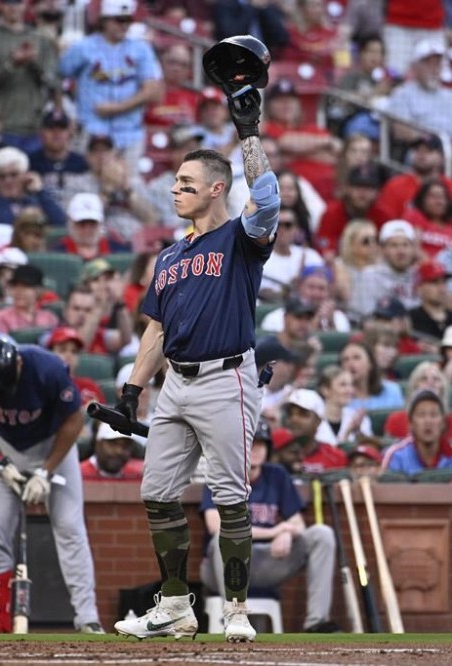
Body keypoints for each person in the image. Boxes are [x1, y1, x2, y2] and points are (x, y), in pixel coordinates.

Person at [112, 80, 280, 643]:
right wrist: (133, 387)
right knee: (156, 492)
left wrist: (249, 135)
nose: (174, 190)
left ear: (216, 189)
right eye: (175, 182)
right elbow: (155, 329)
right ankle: (177, 605)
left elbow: (270, 202)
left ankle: (235, 610)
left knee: (231, 496)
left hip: (226, 377)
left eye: (185, 183)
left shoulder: (240, 238)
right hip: (174, 386)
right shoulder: (168, 254)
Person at [0, 337, 102, 634]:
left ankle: (87, 617)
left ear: (18, 364)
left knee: (70, 526)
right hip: (2, 445)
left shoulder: (46, 368)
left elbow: (75, 420)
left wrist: (45, 472)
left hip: (52, 447)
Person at [199, 420, 338, 633]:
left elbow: (298, 523)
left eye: (261, 445)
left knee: (322, 534)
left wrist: (288, 534)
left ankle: (316, 623)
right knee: (224, 537)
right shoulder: (220, 475)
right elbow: (215, 525)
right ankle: (234, 617)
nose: (255, 450)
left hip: (267, 559)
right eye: (250, 444)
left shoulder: (277, 475)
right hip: (223, 566)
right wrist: (276, 531)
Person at [59, 0, 162, 168]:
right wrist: (67, 112)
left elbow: (152, 90)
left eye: (127, 20)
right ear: (104, 20)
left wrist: (117, 107)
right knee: (89, 183)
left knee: (127, 184)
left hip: (129, 132)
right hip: (91, 130)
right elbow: (59, 76)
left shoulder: (141, 48)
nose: (124, 25)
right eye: (118, 20)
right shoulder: (83, 47)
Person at [0, 0, 58, 147]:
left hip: (35, 124)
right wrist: (11, 64)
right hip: (1, 126)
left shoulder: (41, 39)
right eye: (8, 2)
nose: (13, 7)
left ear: (25, 5)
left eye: (18, 2)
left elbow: (53, 82)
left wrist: (32, 63)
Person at [381, 389, 452, 475]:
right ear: (411, 423)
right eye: (421, 415)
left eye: (434, 415)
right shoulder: (396, 456)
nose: (428, 421)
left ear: (443, 423)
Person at [383, 361, 452, 441]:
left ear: (442, 388)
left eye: (436, 379)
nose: (431, 383)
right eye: (424, 379)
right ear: (414, 386)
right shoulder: (396, 421)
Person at [0, 265, 59, 334]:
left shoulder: (49, 318)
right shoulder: (1, 317)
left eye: (25, 287)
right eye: (15, 286)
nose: (19, 291)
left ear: (38, 290)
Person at [315, 365, 373, 445]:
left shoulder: (358, 418)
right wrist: (346, 434)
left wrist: (358, 433)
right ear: (325, 390)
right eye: (343, 385)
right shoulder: (312, 419)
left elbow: (369, 449)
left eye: (351, 385)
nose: (350, 390)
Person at [339, 340, 404, 411]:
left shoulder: (391, 391)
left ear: (370, 363)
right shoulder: (338, 396)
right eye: (345, 360)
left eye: (356, 358)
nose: (350, 364)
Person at [80, 423, 144, 481]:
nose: (119, 451)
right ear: (98, 443)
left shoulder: (136, 477)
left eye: (125, 446)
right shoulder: (79, 474)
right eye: (113, 444)